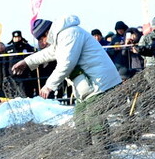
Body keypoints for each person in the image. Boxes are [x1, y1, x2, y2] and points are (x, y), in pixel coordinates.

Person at [13, 16, 122, 147]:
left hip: (98, 83)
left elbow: (67, 63)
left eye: (41, 39)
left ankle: (103, 151)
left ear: (46, 33)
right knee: (80, 119)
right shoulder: (61, 37)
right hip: (89, 85)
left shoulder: (70, 34)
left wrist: (49, 86)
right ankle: (87, 151)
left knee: (94, 118)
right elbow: (48, 53)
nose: (41, 43)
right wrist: (26, 62)